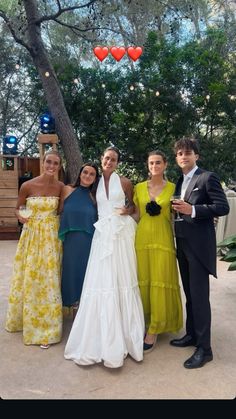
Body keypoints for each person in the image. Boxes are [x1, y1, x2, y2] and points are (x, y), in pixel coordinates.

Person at [64, 146, 145, 368]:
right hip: (101, 236)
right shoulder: (94, 184)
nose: (109, 162)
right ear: (102, 160)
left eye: (114, 159)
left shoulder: (126, 182)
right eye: (107, 158)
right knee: (101, 280)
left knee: (123, 280)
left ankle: (127, 336)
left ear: (118, 162)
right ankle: (99, 338)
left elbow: (135, 209)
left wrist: (127, 212)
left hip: (121, 234)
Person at [169, 137, 229, 368]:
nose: (184, 156)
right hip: (182, 243)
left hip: (199, 247)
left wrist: (192, 209)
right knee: (190, 295)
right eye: (180, 153)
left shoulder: (207, 177)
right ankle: (192, 334)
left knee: (200, 298)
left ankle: (205, 349)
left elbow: (223, 207)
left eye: (188, 152)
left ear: (196, 156)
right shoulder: (179, 181)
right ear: (176, 158)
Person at [5, 150, 64, 349]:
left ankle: (47, 328)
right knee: (31, 277)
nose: (51, 166)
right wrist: (20, 216)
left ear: (59, 166)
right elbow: (18, 208)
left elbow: (64, 211)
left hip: (51, 238)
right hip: (31, 236)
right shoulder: (27, 185)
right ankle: (27, 320)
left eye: (56, 163)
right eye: (49, 161)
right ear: (43, 162)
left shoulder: (61, 187)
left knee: (49, 280)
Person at [133, 150, 183, 353]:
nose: (154, 166)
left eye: (158, 163)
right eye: (151, 163)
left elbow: (177, 215)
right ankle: (144, 322)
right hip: (142, 239)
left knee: (161, 280)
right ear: (148, 165)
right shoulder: (137, 188)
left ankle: (155, 327)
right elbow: (136, 214)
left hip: (163, 239)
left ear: (165, 165)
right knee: (143, 279)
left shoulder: (173, 187)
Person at [58, 162, 99, 318]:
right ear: (80, 174)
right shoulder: (67, 190)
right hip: (70, 240)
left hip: (89, 241)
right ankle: (73, 310)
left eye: (92, 174)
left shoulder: (95, 197)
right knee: (70, 273)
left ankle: (83, 315)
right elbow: (58, 210)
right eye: (85, 172)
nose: (87, 176)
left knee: (85, 274)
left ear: (95, 178)